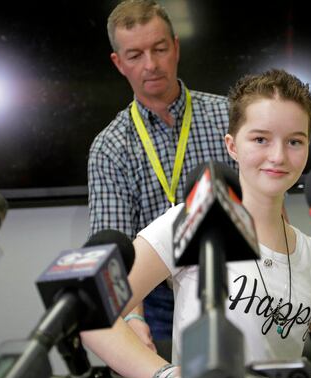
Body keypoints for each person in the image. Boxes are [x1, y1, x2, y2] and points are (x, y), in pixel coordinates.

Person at [81, 69, 311, 378]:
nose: (278, 156)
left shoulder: (310, 255)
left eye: (295, 142)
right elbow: (92, 312)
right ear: (232, 145)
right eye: (260, 139)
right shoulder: (194, 220)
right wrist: (165, 375)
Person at [88, 0, 236, 354]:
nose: (151, 65)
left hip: (234, 283)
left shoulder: (229, 117)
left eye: (159, 49)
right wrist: (131, 317)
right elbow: (115, 251)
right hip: (154, 301)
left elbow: (266, 201)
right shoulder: (110, 147)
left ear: (176, 48)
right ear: (118, 63)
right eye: (135, 55)